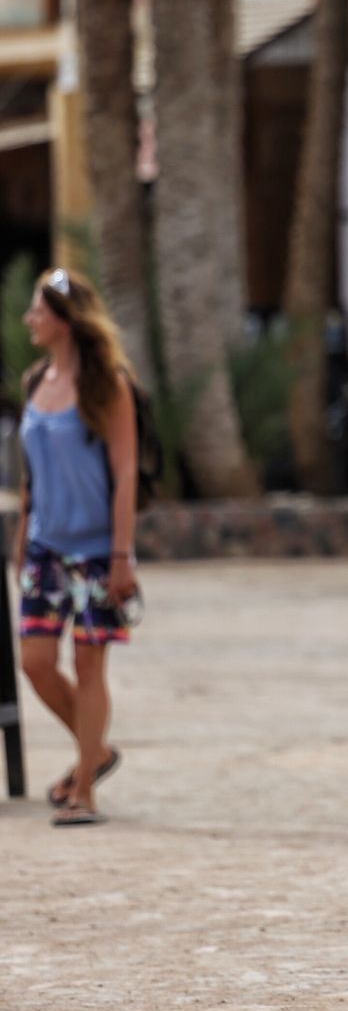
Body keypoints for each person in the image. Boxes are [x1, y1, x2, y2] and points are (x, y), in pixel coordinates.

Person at [15, 267, 139, 827]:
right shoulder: (34, 381)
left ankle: (85, 787)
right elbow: (30, 475)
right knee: (36, 663)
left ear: (64, 321)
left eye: (38, 311)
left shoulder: (107, 383)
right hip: (44, 549)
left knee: (90, 667)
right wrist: (22, 535)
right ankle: (98, 752)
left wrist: (121, 554)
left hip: (95, 553)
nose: (29, 320)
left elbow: (126, 469)